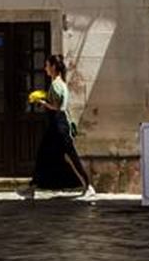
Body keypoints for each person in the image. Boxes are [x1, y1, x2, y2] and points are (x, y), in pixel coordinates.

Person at [19, 54, 97, 200]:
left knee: (69, 156)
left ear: (53, 67)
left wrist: (42, 102)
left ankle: (88, 186)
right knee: (45, 156)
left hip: (58, 125)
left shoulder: (56, 84)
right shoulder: (61, 84)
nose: (45, 68)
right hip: (58, 125)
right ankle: (33, 187)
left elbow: (56, 107)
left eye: (47, 65)